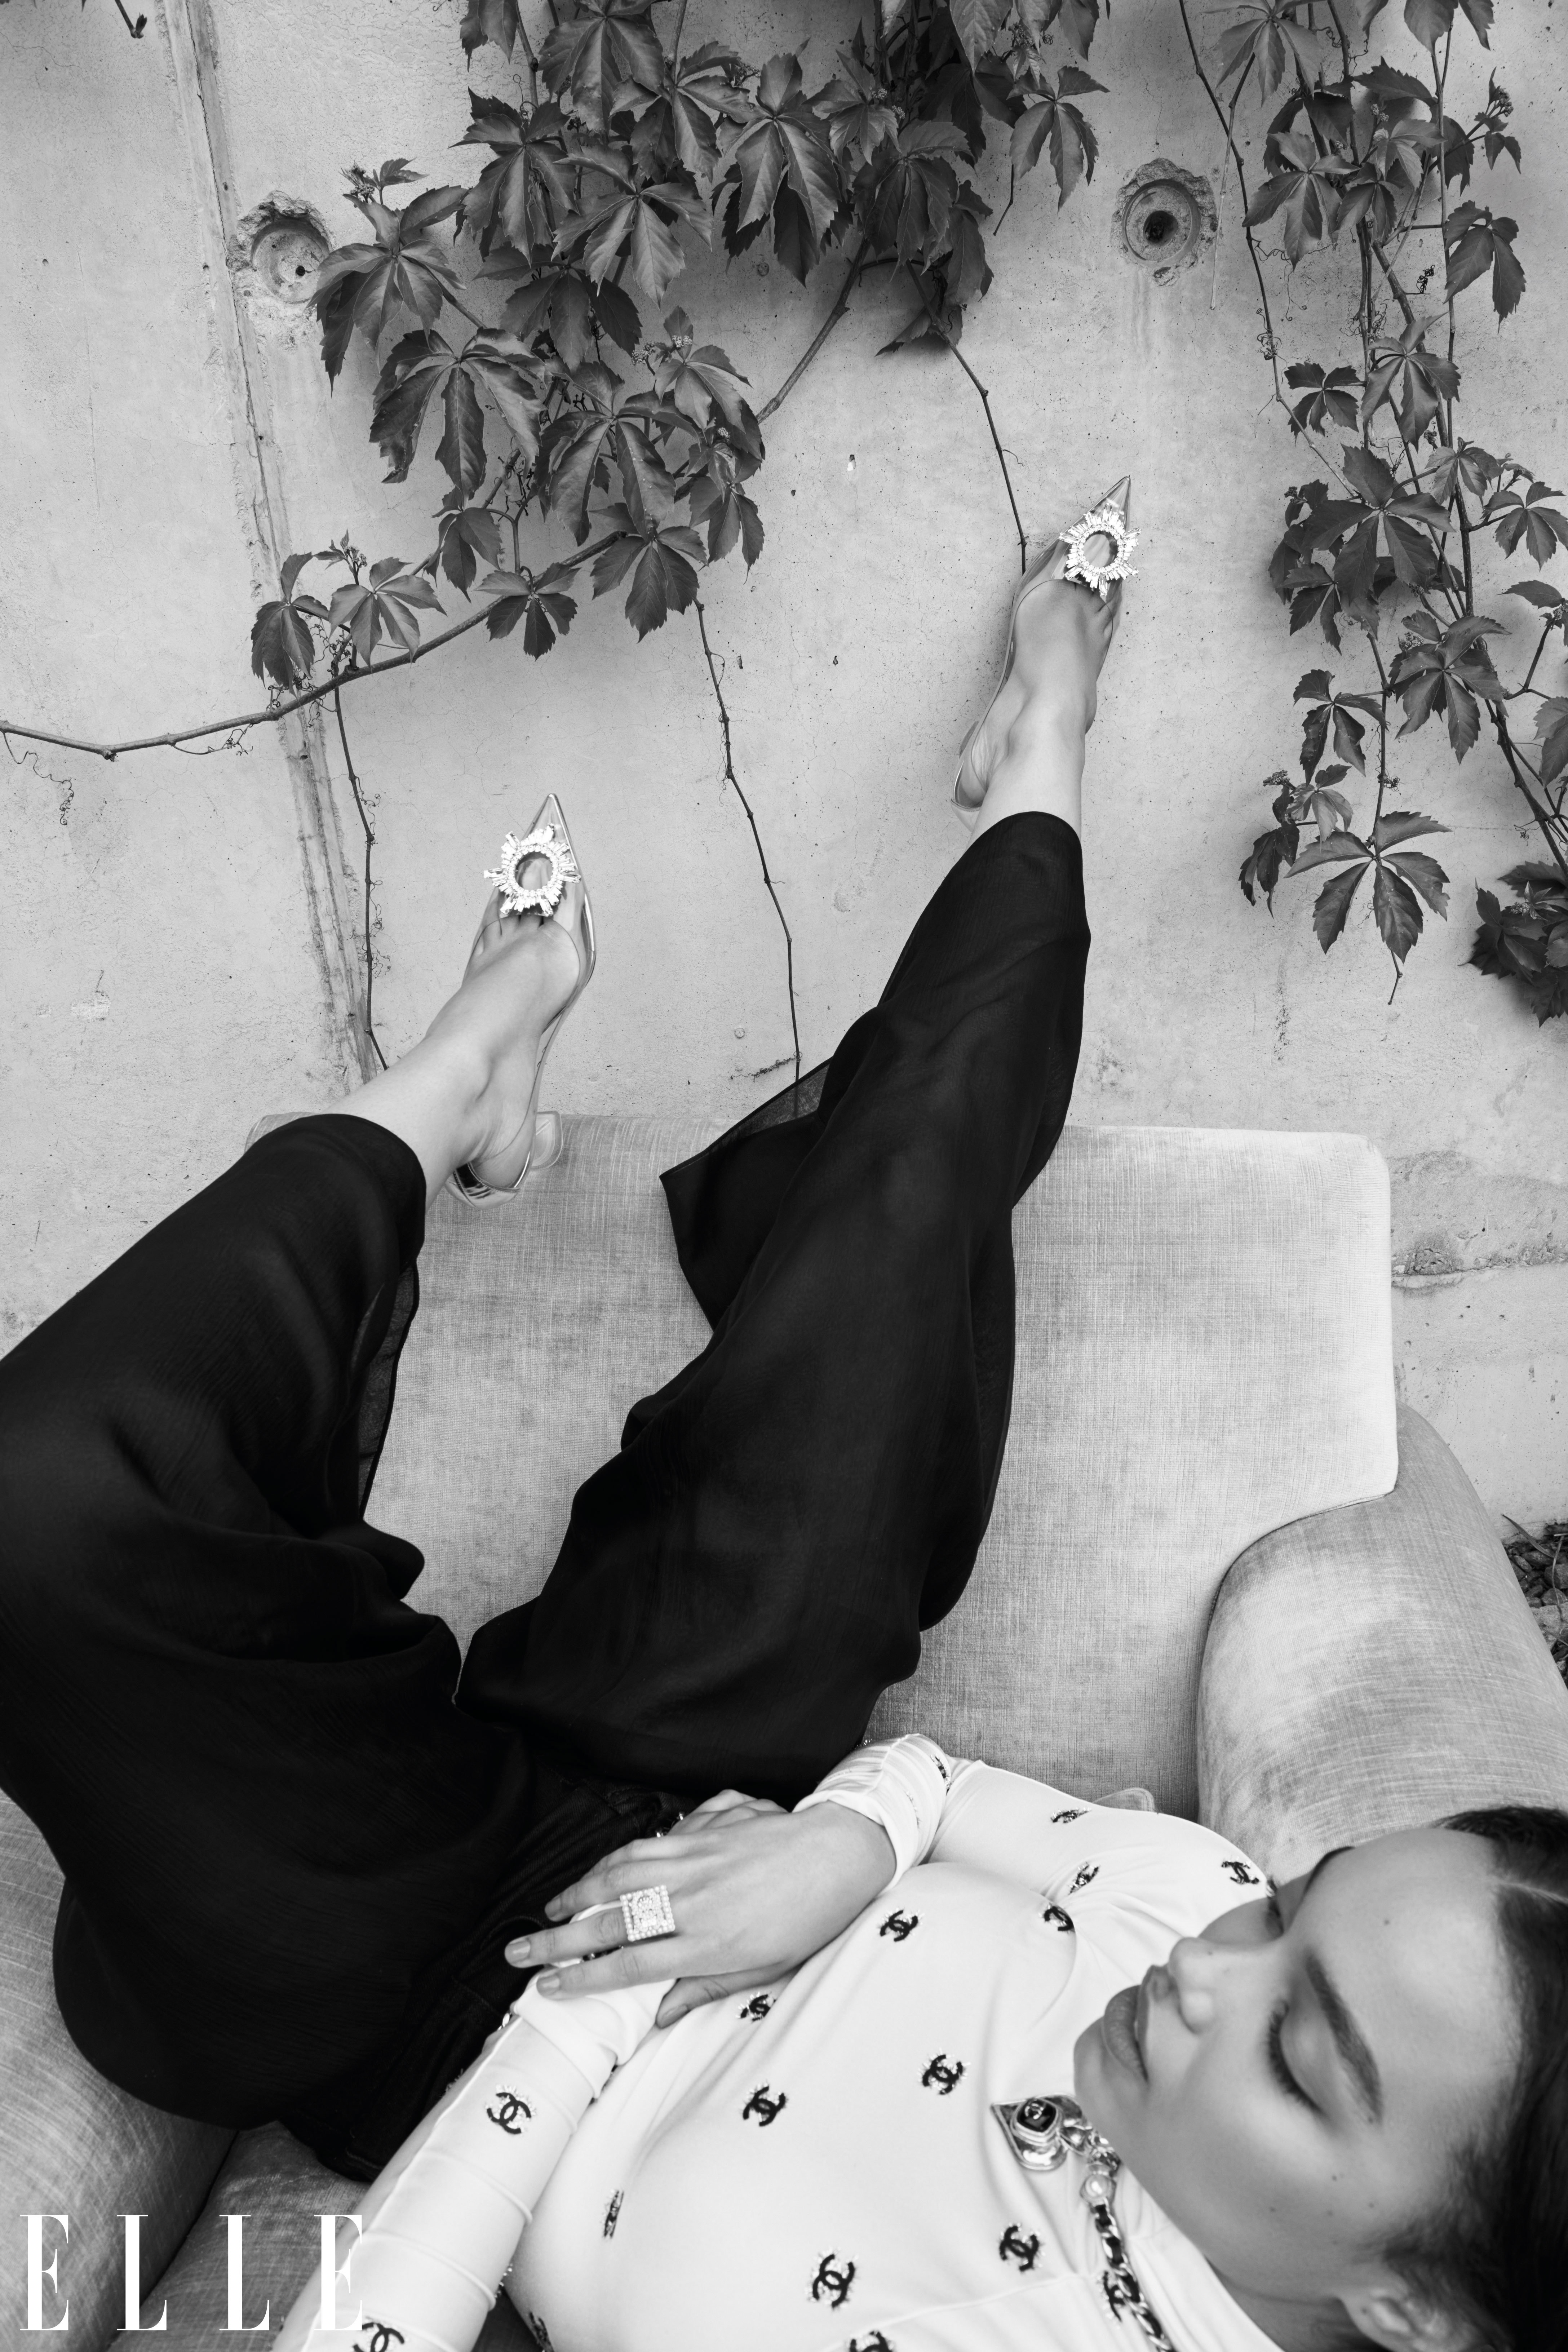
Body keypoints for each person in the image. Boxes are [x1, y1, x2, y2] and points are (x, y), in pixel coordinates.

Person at [0, 483, 1563, 2352]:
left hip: (436, 1984)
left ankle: (458, 1080)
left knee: (44, 1506)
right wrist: (855, 1844)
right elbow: (971, 1798)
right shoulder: (1202, 1916)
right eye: (1290, 1905)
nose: (1213, 1970)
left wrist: (604, 1992)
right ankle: (995, 784)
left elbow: (444, 2235)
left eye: (1301, 2059)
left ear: (1412, 2310)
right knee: (899, 1214)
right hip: (705, 1761)